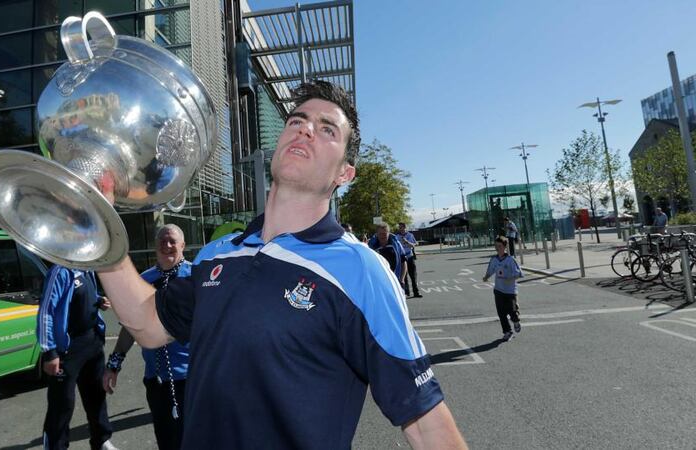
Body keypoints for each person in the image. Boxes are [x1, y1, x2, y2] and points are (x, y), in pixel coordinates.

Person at [97, 81, 466, 449]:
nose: (305, 128)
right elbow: (147, 325)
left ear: (344, 174)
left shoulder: (360, 271)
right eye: (297, 121)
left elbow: (425, 423)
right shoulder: (217, 255)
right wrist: (97, 220)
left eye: (326, 130)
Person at [103, 224, 191, 450]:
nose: (167, 245)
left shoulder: (197, 277)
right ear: (155, 247)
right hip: (156, 379)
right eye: (162, 241)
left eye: (172, 241)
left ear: (183, 245)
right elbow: (130, 328)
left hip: (191, 378)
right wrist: (114, 364)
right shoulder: (143, 280)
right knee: (165, 439)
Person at [37, 265, 117, 450]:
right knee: (62, 406)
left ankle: (101, 441)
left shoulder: (87, 268)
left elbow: (80, 297)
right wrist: (49, 351)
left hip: (92, 343)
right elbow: (46, 311)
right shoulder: (60, 271)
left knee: (96, 397)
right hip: (68, 349)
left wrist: (99, 300)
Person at [482, 236, 523, 342]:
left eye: (499, 246)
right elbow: (490, 270)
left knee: (512, 311)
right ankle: (507, 332)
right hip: (499, 290)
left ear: (505, 247)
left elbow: (519, 273)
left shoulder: (510, 260)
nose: (497, 248)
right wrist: (486, 277)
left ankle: (516, 320)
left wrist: (509, 277)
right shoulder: (494, 259)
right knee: (501, 313)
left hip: (510, 291)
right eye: (496, 246)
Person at [397, 222, 422, 298]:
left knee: (413, 275)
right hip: (402, 257)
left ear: (405, 227)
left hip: (410, 256)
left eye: (401, 227)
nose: (400, 229)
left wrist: (407, 241)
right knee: (404, 276)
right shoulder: (397, 236)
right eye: (399, 227)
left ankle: (416, 292)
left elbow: (415, 244)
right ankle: (406, 292)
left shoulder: (410, 235)